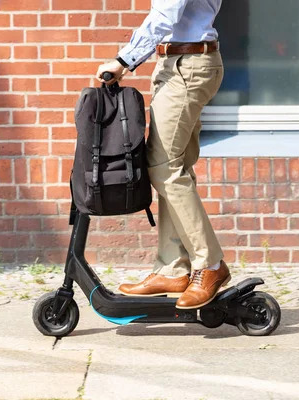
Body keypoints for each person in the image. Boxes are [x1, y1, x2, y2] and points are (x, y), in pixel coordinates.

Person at [96, 0, 230, 310]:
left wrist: (123, 59)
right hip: (181, 63)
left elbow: (166, 13)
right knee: (175, 167)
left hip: (187, 64)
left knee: (163, 167)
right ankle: (173, 269)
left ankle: (210, 265)